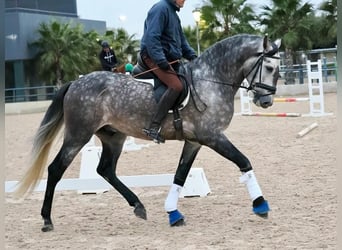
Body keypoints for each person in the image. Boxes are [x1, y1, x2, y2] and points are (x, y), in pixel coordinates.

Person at [140, 0, 197, 143]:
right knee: (176, 86)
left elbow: (182, 42)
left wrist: (193, 57)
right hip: (153, 56)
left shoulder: (173, 14)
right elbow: (151, 38)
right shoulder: (160, 9)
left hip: (169, 58)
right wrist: (160, 60)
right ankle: (153, 127)